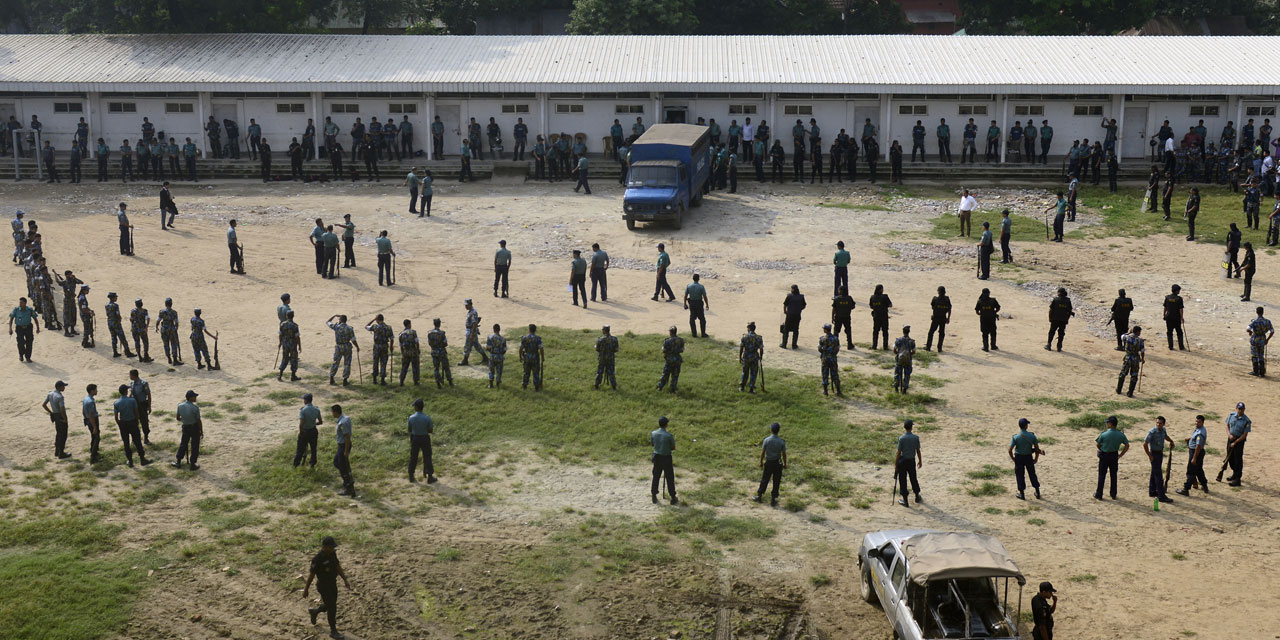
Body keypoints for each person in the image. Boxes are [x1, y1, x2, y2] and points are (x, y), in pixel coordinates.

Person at [303, 536, 351, 640]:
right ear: (325, 547)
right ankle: (333, 631)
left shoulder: (332, 554)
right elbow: (311, 575)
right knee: (332, 607)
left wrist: (345, 580)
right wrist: (306, 589)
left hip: (332, 584)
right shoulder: (318, 559)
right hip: (323, 586)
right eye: (331, 547)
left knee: (330, 604)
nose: (333, 549)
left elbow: (338, 566)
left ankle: (315, 612)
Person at [113, 383, 150, 467]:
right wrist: (136, 421)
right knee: (137, 442)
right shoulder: (132, 400)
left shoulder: (116, 403)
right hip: (132, 422)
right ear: (126, 391)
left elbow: (116, 417)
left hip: (123, 423)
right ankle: (142, 459)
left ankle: (130, 461)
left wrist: (120, 424)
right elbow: (136, 413)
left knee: (126, 443)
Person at [1094, 415, 1129, 500]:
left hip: (1104, 455)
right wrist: (1120, 455)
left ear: (1110, 424)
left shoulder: (1104, 434)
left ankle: (1099, 494)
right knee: (1113, 475)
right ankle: (1113, 493)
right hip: (1114, 456)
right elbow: (1127, 445)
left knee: (1102, 475)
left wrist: (1102, 449)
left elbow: (1098, 444)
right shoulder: (1120, 435)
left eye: (1107, 422)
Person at [753, 422, 787, 507]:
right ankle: (773, 499)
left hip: (768, 463)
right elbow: (784, 454)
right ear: (778, 431)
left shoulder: (767, 440)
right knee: (776, 481)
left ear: (771, 430)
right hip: (777, 463)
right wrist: (785, 463)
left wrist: (761, 462)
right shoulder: (781, 442)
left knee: (765, 479)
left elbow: (763, 452)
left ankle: (759, 495)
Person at [1008, 418, 1043, 500]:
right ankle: (1037, 492)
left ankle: (1022, 494)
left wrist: (1014, 459)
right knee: (1032, 474)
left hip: (1019, 457)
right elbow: (1037, 449)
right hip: (1028, 457)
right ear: (1026, 426)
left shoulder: (1016, 437)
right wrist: (1036, 459)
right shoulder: (1032, 436)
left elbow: (1010, 450)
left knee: (1020, 475)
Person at [1176, 415, 1210, 497]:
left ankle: (1186, 489)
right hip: (1197, 452)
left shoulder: (1200, 433)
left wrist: (1194, 458)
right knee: (1198, 470)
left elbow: (1198, 446)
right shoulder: (1200, 429)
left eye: (1199, 422)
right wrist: (1190, 439)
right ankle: (1204, 486)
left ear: (1202, 422)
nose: (1196, 423)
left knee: (1191, 471)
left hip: (1196, 453)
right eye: (1196, 421)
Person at [1145, 416, 1175, 503]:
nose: (1158, 424)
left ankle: (1152, 491)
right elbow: (1145, 444)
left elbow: (1165, 436)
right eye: (1157, 423)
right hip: (1154, 454)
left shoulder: (1163, 430)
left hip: (1159, 453)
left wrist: (1171, 441)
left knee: (1154, 472)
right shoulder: (1152, 432)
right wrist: (1150, 455)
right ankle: (1161, 496)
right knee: (1158, 476)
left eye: (1160, 423)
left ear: (1164, 424)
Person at [650, 416, 677, 504]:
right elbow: (673, 447)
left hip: (657, 456)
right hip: (666, 458)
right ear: (666, 425)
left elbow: (652, 443)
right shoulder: (669, 436)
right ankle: (673, 497)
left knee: (656, 476)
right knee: (669, 478)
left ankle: (654, 495)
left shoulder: (653, 433)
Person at [172, 389, 203, 470]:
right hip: (194, 427)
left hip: (185, 427)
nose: (196, 398)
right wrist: (201, 430)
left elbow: (178, 418)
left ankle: (178, 461)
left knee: (183, 443)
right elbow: (198, 420)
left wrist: (185, 420)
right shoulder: (195, 408)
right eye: (194, 397)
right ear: (191, 398)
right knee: (195, 445)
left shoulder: (180, 406)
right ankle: (193, 464)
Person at [895, 419, 922, 506]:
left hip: (903, 461)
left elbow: (899, 453)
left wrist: (896, 464)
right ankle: (917, 496)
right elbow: (918, 451)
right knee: (913, 478)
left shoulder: (901, 438)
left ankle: (905, 501)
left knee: (903, 480)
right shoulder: (915, 438)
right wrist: (920, 461)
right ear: (911, 427)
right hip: (911, 461)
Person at [407, 399, 435, 483]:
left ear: (416, 407)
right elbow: (430, 430)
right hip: (424, 438)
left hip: (415, 438)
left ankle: (411, 475)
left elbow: (409, 429)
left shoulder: (411, 418)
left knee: (413, 456)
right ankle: (430, 476)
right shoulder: (427, 418)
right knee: (427, 456)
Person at [42, 380, 71, 459]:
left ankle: (57, 451)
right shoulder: (60, 397)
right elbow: (62, 409)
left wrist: (51, 412)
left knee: (58, 434)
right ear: (59, 387)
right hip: (60, 416)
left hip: (55, 416)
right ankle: (61, 453)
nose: (64, 387)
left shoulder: (50, 394)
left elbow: (44, 405)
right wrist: (65, 419)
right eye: (63, 386)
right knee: (63, 435)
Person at [326, 314, 358, 385]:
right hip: (347, 346)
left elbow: (328, 322)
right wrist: (357, 347)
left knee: (335, 362)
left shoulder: (336, 327)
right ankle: (345, 380)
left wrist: (334, 316)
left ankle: (331, 377)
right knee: (347, 363)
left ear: (340, 320)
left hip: (338, 347)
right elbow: (353, 339)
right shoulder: (349, 328)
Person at [331, 405, 355, 496]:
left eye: (332, 412)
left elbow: (347, 437)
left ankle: (348, 485)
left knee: (342, 466)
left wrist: (346, 450)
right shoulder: (346, 418)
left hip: (343, 446)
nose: (332, 414)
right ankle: (348, 479)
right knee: (337, 463)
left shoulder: (342, 423)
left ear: (336, 412)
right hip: (342, 445)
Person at [1225, 402, 1250, 486]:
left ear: (1244, 410)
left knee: (1237, 459)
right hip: (1230, 438)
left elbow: (1245, 434)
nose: (1240, 410)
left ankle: (1237, 479)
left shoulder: (1246, 421)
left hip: (1239, 441)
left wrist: (1235, 442)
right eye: (1239, 408)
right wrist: (1229, 435)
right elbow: (1227, 425)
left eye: (1242, 409)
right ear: (1236, 408)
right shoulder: (1231, 416)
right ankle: (1234, 474)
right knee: (1230, 458)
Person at [365, 314, 394, 386]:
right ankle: (382, 380)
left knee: (375, 362)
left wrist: (373, 320)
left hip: (377, 346)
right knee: (383, 362)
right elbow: (392, 338)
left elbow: (366, 326)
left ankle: (374, 379)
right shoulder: (388, 327)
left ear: (377, 320)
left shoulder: (375, 326)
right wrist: (391, 346)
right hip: (384, 346)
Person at [104, 292, 135, 359]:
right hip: (116, 323)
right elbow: (118, 314)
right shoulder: (115, 305)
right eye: (115, 297)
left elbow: (107, 314)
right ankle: (127, 352)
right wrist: (119, 320)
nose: (116, 298)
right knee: (122, 337)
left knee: (113, 337)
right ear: (112, 298)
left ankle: (115, 352)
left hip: (109, 322)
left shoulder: (106, 305)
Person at [1117, 326, 1145, 397]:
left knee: (1123, 373)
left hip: (1128, 357)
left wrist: (1129, 332)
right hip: (1136, 358)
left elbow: (1122, 336)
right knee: (1134, 375)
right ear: (1138, 332)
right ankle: (1130, 392)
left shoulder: (1127, 337)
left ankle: (1119, 389)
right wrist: (1143, 359)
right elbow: (1142, 351)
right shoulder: (1140, 341)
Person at [9, 295, 38, 362]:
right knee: (20, 342)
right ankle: (21, 355)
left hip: (28, 327)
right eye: (19, 303)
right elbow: (11, 318)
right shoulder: (16, 310)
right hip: (19, 328)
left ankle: (28, 357)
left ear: (25, 303)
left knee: (29, 342)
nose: (20, 304)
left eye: (21, 303)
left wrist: (37, 327)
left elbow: (35, 318)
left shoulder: (30, 310)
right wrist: (10, 328)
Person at [1246, 306, 1274, 376]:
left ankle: (1255, 371)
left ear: (1256, 312)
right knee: (1261, 355)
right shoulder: (1267, 321)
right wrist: (1267, 339)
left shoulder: (1254, 321)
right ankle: (1262, 371)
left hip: (1255, 339)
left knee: (1254, 355)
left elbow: (1248, 328)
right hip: (1262, 339)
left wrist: (1250, 332)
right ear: (1263, 312)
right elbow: (1272, 331)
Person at [459, 299, 487, 367]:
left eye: (466, 305)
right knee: (476, 345)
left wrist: (471, 334)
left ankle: (465, 360)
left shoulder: (473, 312)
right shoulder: (471, 311)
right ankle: (485, 357)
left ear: (470, 304)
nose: (465, 306)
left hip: (471, 331)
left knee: (467, 346)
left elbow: (474, 323)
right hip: (471, 331)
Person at [128, 368, 152, 445]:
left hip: (142, 405)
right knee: (134, 422)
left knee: (144, 422)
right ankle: (134, 439)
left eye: (130, 375)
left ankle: (146, 438)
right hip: (133, 405)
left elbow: (148, 394)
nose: (129, 376)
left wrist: (149, 406)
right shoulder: (131, 383)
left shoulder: (143, 383)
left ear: (134, 376)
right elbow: (131, 393)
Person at [1046, 287, 1073, 352]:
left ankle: (1049, 345)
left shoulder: (1055, 300)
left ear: (1059, 293)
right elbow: (1069, 311)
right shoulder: (1068, 301)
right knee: (1061, 333)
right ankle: (1059, 346)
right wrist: (1067, 320)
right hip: (1063, 319)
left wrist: (1050, 318)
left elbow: (1051, 310)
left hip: (1055, 319)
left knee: (1052, 332)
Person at [738, 322, 763, 392]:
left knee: (745, 372)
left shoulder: (744, 337)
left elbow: (741, 348)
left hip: (746, 356)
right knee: (753, 373)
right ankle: (751, 388)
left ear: (748, 328)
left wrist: (740, 357)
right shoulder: (759, 338)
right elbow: (761, 349)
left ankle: (742, 387)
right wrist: (760, 357)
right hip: (754, 356)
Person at [924, 286, 951, 352]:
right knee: (941, 333)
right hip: (943, 318)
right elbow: (949, 309)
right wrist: (948, 318)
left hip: (935, 318)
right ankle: (939, 348)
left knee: (931, 332)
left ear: (938, 292)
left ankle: (928, 347)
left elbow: (933, 307)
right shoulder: (947, 299)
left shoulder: (935, 299)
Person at [658, 326, 684, 394]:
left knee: (665, 374)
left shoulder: (667, 340)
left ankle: (660, 387)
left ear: (670, 332)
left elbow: (663, 350)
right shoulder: (681, 340)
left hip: (669, 360)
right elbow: (682, 350)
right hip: (677, 360)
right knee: (675, 375)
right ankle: (673, 389)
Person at [519, 324, 543, 391]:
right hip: (535, 357)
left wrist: (520, 356)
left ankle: (524, 385)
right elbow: (541, 349)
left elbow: (520, 348)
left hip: (527, 357)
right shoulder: (538, 338)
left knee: (526, 372)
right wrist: (542, 357)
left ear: (529, 330)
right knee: (536, 373)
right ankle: (536, 387)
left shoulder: (524, 338)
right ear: (535, 330)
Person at [278, 310, 301, 382]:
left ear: (286, 316)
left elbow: (280, 334)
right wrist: (299, 346)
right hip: (293, 345)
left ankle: (280, 375)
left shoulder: (282, 324)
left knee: (284, 358)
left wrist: (280, 343)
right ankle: (293, 375)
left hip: (285, 344)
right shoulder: (295, 326)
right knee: (294, 359)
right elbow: (297, 337)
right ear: (293, 316)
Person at [81, 383, 101, 463]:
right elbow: (92, 415)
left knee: (93, 436)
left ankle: (93, 451)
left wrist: (86, 419)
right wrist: (95, 427)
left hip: (88, 419)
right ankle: (93, 457)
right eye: (96, 389)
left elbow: (83, 411)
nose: (97, 391)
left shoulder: (86, 399)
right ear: (92, 391)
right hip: (93, 420)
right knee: (97, 437)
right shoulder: (91, 402)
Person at [684, 273, 709, 338]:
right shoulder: (701, 287)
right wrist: (707, 304)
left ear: (693, 279)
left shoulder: (689, 286)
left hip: (692, 303)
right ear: (698, 279)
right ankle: (703, 334)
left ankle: (694, 334)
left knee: (692, 318)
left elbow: (685, 296)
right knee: (702, 319)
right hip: (699, 303)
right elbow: (704, 296)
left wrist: (685, 304)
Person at [780, 284, 806, 349]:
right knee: (795, 330)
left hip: (789, 315)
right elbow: (804, 305)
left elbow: (785, 305)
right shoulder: (801, 297)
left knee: (786, 330)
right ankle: (794, 345)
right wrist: (799, 309)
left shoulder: (789, 296)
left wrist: (785, 312)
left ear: (793, 289)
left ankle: (784, 344)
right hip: (797, 315)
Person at [155, 297, 180, 364]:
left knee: (166, 344)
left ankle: (169, 358)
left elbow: (158, 320)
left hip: (164, 329)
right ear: (171, 304)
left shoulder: (162, 312)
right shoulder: (174, 312)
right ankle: (175, 359)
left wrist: (156, 327)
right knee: (173, 344)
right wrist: (176, 328)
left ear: (165, 304)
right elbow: (176, 322)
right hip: (171, 329)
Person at [892, 326, 916, 393]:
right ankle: (905, 389)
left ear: (903, 331)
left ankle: (896, 387)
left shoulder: (898, 340)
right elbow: (914, 351)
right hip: (908, 360)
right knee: (907, 374)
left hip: (899, 359)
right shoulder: (912, 341)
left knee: (897, 373)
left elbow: (894, 350)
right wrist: (909, 355)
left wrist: (898, 353)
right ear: (909, 332)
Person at [831, 285, 855, 349]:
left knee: (836, 331)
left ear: (841, 291)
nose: (838, 291)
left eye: (839, 290)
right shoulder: (849, 298)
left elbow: (834, 309)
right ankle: (849, 344)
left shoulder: (837, 299)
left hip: (838, 317)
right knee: (848, 330)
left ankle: (835, 345)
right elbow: (853, 306)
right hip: (847, 316)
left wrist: (832, 317)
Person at [595, 325, 619, 390]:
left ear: (604, 331)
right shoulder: (614, 339)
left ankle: (596, 385)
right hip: (610, 359)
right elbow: (616, 349)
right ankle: (614, 386)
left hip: (602, 359)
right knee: (611, 372)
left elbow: (597, 349)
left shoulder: (600, 339)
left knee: (599, 372)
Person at [398, 319, 420, 387]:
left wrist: (402, 352)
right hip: (413, 351)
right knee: (415, 367)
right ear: (409, 324)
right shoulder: (413, 332)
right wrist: (418, 350)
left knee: (404, 367)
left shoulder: (401, 334)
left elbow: (401, 345)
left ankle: (401, 381)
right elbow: (417, 342)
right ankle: (416, 381)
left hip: (405, 352)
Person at [869, 284, 892, 350]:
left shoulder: (872, 297)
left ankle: (874, 346)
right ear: (881, 290)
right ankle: (885, 347)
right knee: (885, 332)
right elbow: (890, 305)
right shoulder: (885, 297)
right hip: (884, 316)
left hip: (876, 316)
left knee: (875, 331)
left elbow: (871, 306)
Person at [1163, 284, 1186, 351]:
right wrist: (1182, 317)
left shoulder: (1167, 297)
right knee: (1179, 332)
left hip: (1169, 317)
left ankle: (1170, 346)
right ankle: (1181, 347)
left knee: (1169, 332)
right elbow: (1180, 309)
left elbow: (1165, 307)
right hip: (1176, 318)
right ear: (1176, 291)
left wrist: (1164, 315)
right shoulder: (1179, 299)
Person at [484, 323, 506, 388]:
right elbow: (504, 350)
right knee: (499, 371)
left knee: (491, 370)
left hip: (492, 356)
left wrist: (491, 351)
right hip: (499, 356)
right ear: (499, 329)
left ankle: (491, 385)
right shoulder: (503, 339)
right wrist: (501, 354)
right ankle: (498, 383)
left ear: (493, 329)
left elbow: (488, 347)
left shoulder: (490, 337)